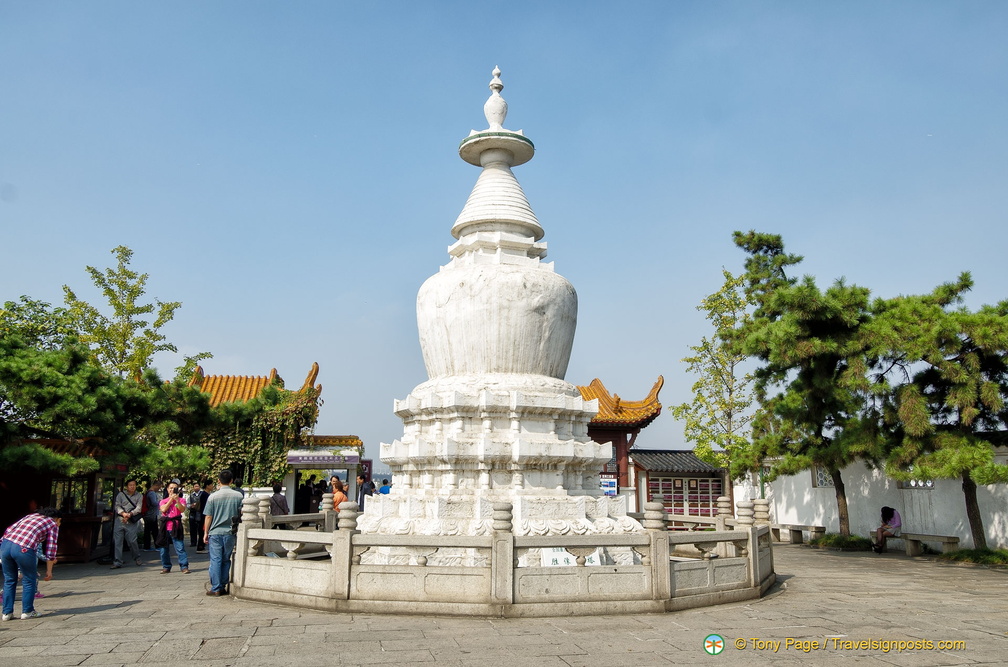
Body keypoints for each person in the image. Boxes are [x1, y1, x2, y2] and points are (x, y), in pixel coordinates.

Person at [2, 507, 61, 621]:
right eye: (60, 521)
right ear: (57, 519)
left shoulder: (30, 516)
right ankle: (27, 611)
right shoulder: (52, 523)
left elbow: (9, 530)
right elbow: (51, 547)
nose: (59, 524)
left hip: (5, 545)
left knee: (9, 580)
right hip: (23, 548)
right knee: (29, 579)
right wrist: (49, 569)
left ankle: (6, 613)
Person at [202, 469, 244, 596]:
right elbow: (241, 513)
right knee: (226, 559)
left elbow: (208, 516)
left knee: (216, 560)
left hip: (215, 532)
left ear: (219, 481)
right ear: (231, 481)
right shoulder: (239, 496)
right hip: (230, 532)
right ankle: (223, 585)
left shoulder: (212, 497)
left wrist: (205, 533)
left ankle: (216, 587)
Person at [157, 481, 190, 574]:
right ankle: (166, 566)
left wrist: (177, 500)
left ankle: (184, 566)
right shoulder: (163, 501)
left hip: (176, 525)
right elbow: (163, 509)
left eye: (174, 488)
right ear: (167, 489)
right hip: (165, 526)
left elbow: (182, 509)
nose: (172, 490)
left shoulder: (182, 500)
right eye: (170, 488)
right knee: (163, 548)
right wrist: (171, 500)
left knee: (180, 547)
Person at [112, 479, 144, 568]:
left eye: (134, 485)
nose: (132, 486)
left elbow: (139, 508)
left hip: (131, 521)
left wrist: (129, 514)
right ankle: (117, 561)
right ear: (127, 486)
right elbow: (117, 505)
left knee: (132, 540)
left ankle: (137, 557)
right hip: (120, 520)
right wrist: (123, 513)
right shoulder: (121, 495)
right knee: (118, 541)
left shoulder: (139, 495)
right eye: (130, 485)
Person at [142, 480, 163, 551]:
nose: (159, 489)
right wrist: (160, 502)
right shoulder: (152, 493)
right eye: (159, 487)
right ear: (156, 485)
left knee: (147, 530)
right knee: (154, 531)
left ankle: (147, 546)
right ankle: (157, 546)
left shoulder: (148, 492)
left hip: (147, 514)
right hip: (151, 514)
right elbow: (154, 503)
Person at [188, 482, 203, 551]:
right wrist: (191, 506)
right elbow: (187, 505)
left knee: (200, 528)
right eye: (195, 486)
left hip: (200, 513)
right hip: (192, 513)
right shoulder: (191, 495)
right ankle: (193, 542)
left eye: (197, 486)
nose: (196, 487)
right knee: (192, 528)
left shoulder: (202, 494)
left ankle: (201, 542)